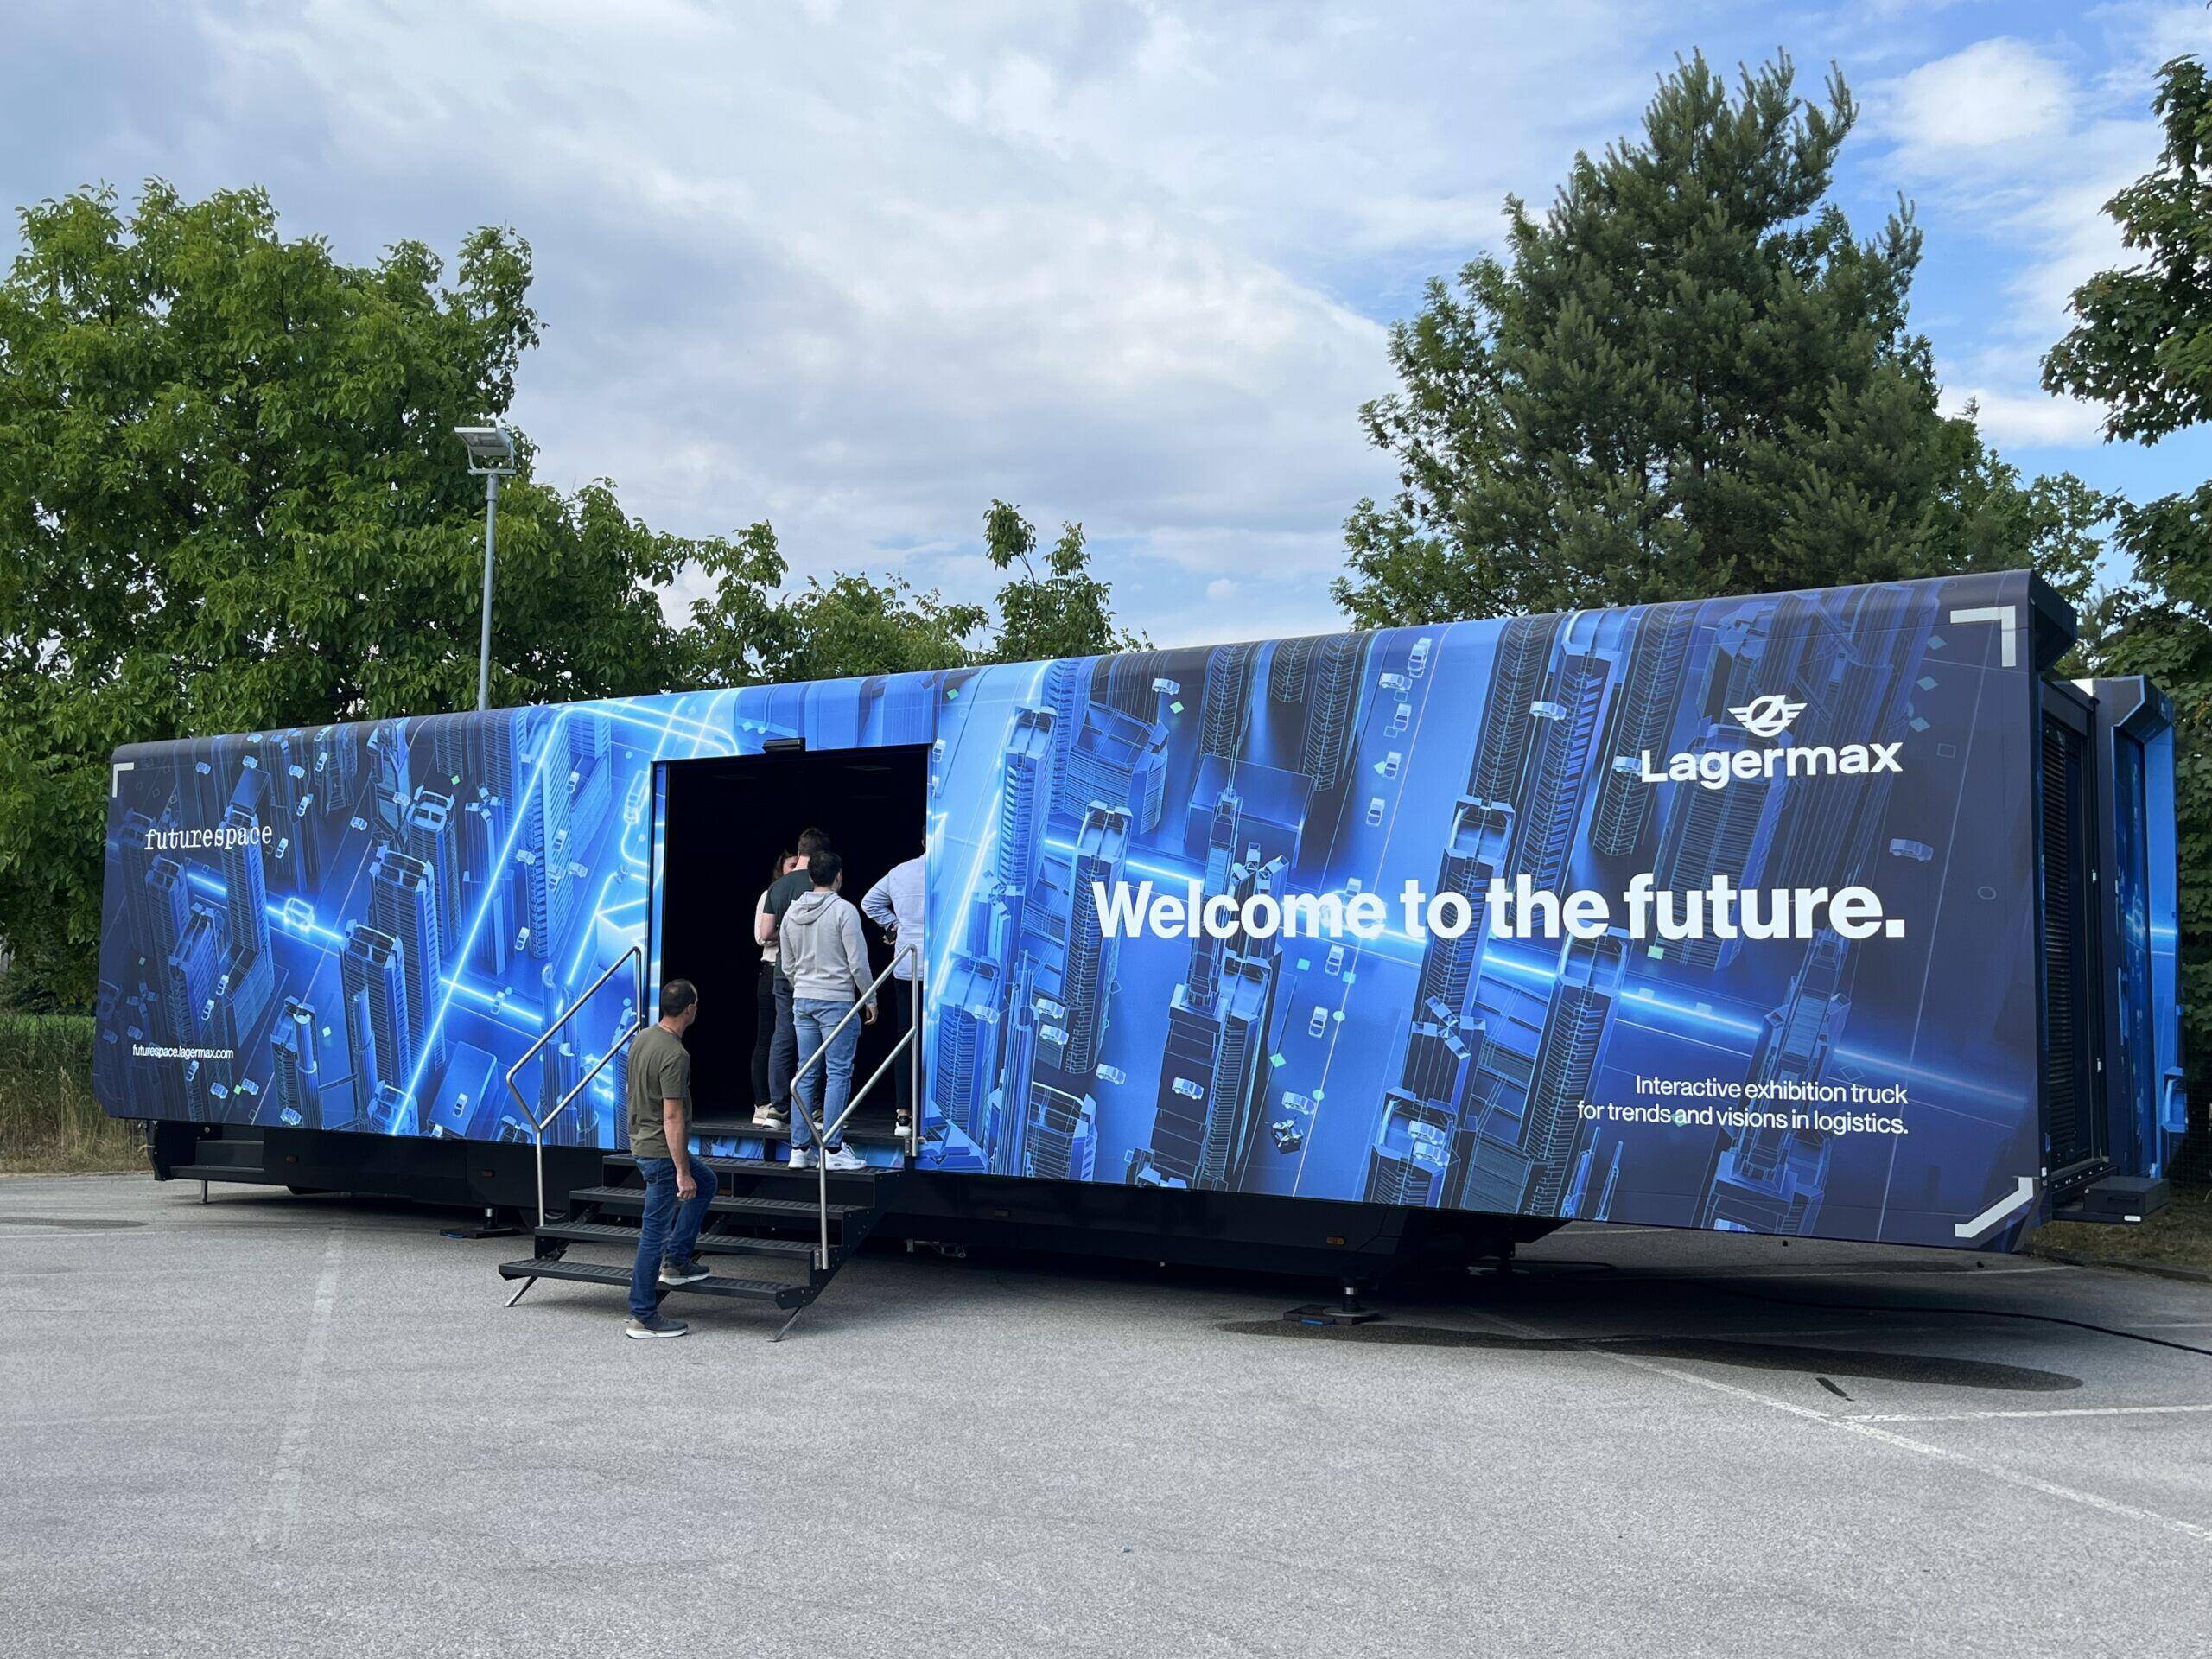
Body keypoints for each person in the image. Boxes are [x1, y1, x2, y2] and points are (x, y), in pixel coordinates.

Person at [624, 978, 717, 1340]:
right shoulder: (676, 1055)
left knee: (706, 1180)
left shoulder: (643, 1038)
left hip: (643, 1144)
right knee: (653, 1235)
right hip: (661, 1153)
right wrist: (682, 1172)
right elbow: (673, 1116)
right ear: (690, 1009)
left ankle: (678, 1261)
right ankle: (643, 1315)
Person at [779, 849, 874, 1173]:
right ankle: (832, 1148)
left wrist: (802, 985)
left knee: (805, 1072)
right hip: (837, 1001)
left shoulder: (791, 913)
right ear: (839, 877)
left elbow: (787, 964)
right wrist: (870, 998)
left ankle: (798, 1148)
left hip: (802, 998)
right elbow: (857, 962)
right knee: (838, 1073)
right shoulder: (844, 911)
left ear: (809, 877)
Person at [754, 828, 831, 1128]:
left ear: (799, 852)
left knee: (782, 1035)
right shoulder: (820, 884)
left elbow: (764, 934)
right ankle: (812, 1108)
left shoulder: (777, 888)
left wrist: (783, 937)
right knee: (813, 1036)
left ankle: (778, 1107)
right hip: (815, 971)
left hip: (782, 971)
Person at [861, 848, 925, 1138]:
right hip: (943, 964)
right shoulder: (952, 870)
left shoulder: (902, 870)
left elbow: (869, 902)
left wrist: (895, 926)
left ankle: (903, 1114)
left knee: (906, 1036)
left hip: (907, 963)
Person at [749, 849, 802, 1122]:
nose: (795, 870)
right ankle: (762, 1102)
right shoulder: (771, 894)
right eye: (791, 866)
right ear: (780, 869)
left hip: (798, 973)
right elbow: (761, 936)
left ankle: (792, 1103)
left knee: (793, 1037)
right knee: (768, 1038)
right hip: (772, 970)